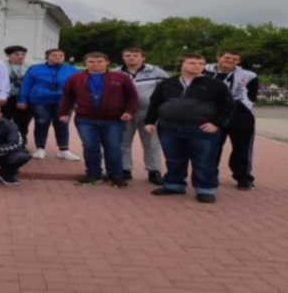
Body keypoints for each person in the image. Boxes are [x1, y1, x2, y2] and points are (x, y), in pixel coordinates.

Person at [144, 53, 234, 204]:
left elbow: (228, 106)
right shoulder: (167, 83)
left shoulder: (215, 85)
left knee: (204, 161)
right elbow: (155, 103)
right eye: (192, 63)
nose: (197, 66)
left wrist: (217, 124)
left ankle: (205, 189)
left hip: (201, 129)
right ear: (182, 64)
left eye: (200, 63)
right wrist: (150, 121)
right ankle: (174, 185)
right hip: (169, 128)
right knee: (173, 159)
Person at [60, 52, 139, 187]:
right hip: (85, 119)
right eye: (91, 61)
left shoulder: (120, 77)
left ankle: (116, 176)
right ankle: (93, 174)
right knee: (90, 147)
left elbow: (132, 97)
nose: (95, 64)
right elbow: (67, 97)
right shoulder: (75, 78)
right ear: (85, 63)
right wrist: (64, 113)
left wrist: (129, 111)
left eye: (99, 61)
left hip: (113, 120)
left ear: (107, 62)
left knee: (113, 148)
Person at [206, 50, 259, 190]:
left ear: (239, 62)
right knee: (212, 146)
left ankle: (243, 177)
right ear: (218, 57)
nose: (230, 61)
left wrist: (242, 107)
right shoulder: (204, 70)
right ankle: (209, 176)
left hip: (239, 113)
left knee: (242, 147)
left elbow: (252, 96)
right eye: (227, 57)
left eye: (234, 59)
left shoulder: (249, 75)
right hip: (213, 112)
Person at [116, 47, 168, 184]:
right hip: (124, 113)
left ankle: (154, 171)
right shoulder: (115, 72)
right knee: (123, 143)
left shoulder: (157, 72)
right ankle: (124, 169)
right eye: (127, 55)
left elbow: (166, 92)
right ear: (123, 57)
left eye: (135, 55)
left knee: (151, 143)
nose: (131, 58)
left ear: (142, 57)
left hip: (149, 113)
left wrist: (160, 111)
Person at [17, 49, 80, 161]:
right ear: (47, 57)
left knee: (62, 124)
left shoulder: (72, 70)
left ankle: (63, 150)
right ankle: (40, 149)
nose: (58, 57)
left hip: (63, 102)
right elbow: (26, 84)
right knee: (41, 123)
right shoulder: (35, 69)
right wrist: (22, 100)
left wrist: (77, 101)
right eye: (54, 55)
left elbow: (79, 87)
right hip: (40, 100)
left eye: (61, 55)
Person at [2, 45, 32, 145]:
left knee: (23, 121)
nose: (20, 56)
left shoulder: (30, 66)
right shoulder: (1, 65)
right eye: (17, 54)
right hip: (6, 97)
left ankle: (21, 140)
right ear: (8, 55)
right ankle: (4, 139)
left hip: (23, 98)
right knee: (4, 119)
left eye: (23, 54)